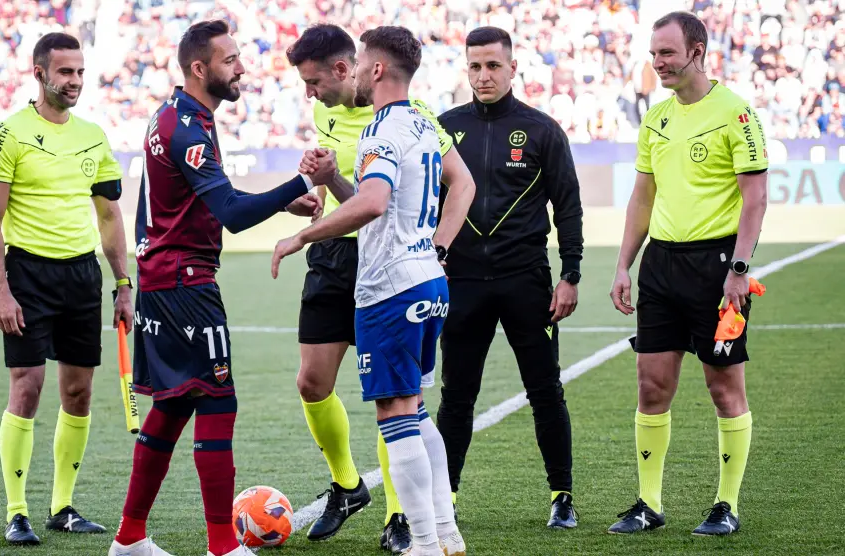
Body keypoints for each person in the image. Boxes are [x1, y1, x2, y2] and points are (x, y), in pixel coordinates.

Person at [107, 20, 321, 556]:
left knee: (175, 405)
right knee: (218, 401)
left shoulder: (172, 115)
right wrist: (301, 182)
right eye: (230, 60)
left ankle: (131, 538)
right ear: (200, 69)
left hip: (163, 278)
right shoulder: (188, 128)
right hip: (184, 283)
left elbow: (190, 200)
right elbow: (231, 214)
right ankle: (224, 547)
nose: (242, 68)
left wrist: (283, 202)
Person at [272, 26, 476, 556]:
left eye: (361, 63)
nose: (357, 71)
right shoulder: (416, 124)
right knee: (413, 409)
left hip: (390, 284)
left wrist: (301, 234)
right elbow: (370, 197)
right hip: (423, 278)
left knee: (394, 413)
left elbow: (372, 204)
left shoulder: (383, 130)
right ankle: (446, 535)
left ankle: (423, 540)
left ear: (375, 69)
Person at [607, 11, 768, 536]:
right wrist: (624, 265)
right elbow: (642, 198)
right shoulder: (655, 119)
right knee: (651, 385)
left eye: (668, 53)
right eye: (654, 54)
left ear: (697, 51)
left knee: (724, 388)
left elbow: (755, 198)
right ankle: (648, 503)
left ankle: (727, 505)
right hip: (661, 265)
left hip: (718, 266)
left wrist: (739, 270)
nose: (658, 63)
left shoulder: (736, 113)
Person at [0, 31, 133, 546]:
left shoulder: (93, 135)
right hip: (28, 274)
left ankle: (62, 506)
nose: (75, 81)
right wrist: (1, 290)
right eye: (65, 72)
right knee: (27, 386)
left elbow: (109, 215)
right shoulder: (9, 134)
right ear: (39, 72)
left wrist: (123, 282)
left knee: (79, 391)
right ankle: (16, 510)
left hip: (81, 275)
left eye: (80, 72)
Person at [433, 26, 584, 529]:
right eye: (474, 66)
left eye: (493, 65)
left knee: (546, 392)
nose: (483, 75)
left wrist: (571, 274)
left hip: (527, 282)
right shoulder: (443, 128)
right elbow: (427, 204)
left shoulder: (542, 129)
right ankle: (445, 497)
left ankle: (562, 495)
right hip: (461, 285)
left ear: (513, 68)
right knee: (456, 397)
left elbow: (568, 206)